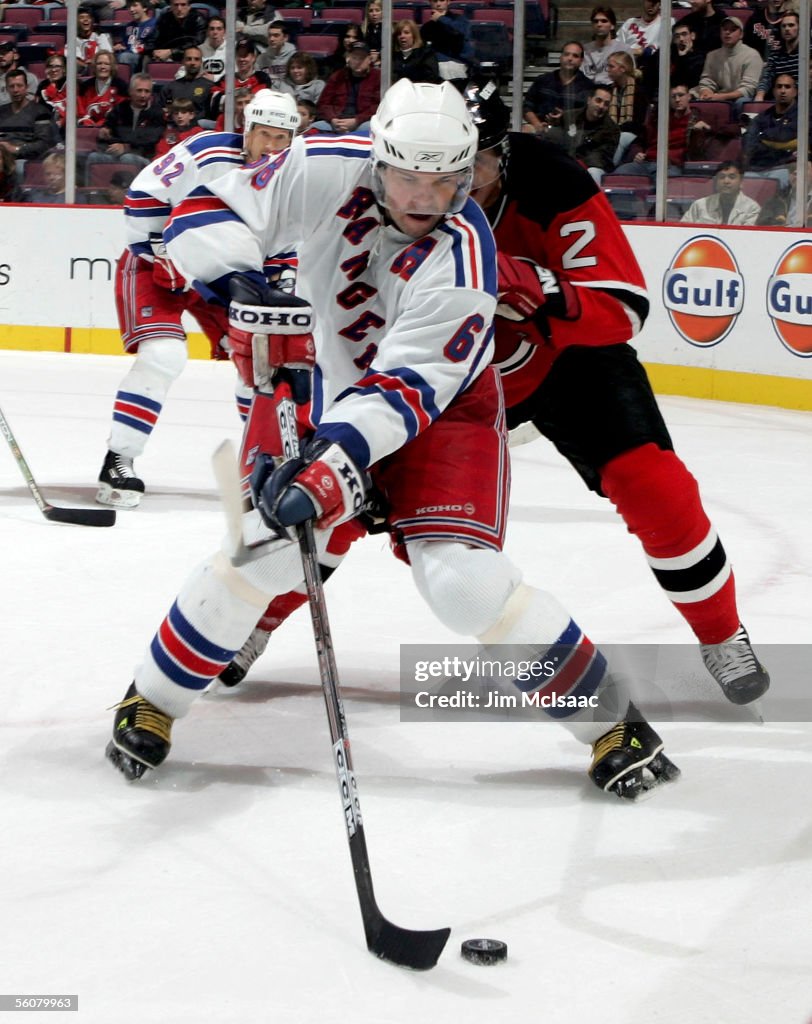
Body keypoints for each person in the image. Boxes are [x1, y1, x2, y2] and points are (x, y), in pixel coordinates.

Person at [106, 79, 680, 802]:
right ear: (380, 158)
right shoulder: (321, 164)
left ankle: (612, 721)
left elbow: (408, 390)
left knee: (462, 582)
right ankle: (152, 697)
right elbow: (205, 205)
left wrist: (329, 469)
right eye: (408, 175)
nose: (424, 198)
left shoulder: (465, 253)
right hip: (319, 383)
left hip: (440, 414)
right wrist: (239, 279)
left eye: (445, 180)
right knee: (265, 551)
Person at [219, 82, 770, 730]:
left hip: (561, 365)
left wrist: (538, 286)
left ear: (502, 154)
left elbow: (624, 309)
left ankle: (721, 633)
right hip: (443, 379)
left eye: (465, 166)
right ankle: (253, 621)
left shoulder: (552, 182)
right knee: (333, 488)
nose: (435, 189)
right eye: (412, 170)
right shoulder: (365, 186)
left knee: (654, 485)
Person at [95, 90, 301, 509]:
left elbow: (284, 247)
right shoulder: (205, 152)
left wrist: (279, 289)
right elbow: (141, 196)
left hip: (224, 276)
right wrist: (158, 251)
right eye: (265, 135)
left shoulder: (294, 179)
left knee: (261, 364)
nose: (273, 147)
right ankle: (119, 460)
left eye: (283, 138)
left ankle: (262, 462)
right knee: (163, 356)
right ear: (247, 129)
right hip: (159, 265)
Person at [613, 81, 709, 177]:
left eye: (681, 95)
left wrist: (697, 133)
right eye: (673, 97)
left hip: (672, 166)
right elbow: (639, 141)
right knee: (618, 174)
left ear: (689, 96)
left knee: (666, 183)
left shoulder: (697, 119)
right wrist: (637, 153)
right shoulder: (659, 117)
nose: (677, 99)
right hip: (646, 162)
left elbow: (698, 152)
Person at [86, 72, 165, 181]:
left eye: (147, 91)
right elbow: (107, 130)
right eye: (139, 90)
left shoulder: (157, 113)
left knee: (127, 158)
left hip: (144, 157)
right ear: (130, 91)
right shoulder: (119, 109)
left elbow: (150, 140)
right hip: (117, 154)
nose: (143, 95)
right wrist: (104, 132)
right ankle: (94, 196)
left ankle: (128, 195)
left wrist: (126, 147)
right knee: (93, 157)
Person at [544, 83, 619, 184]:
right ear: (589, 100)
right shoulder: (569, 116)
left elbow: (600, 158)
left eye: (606, 104)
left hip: (592, 167)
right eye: (598, 100)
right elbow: (553, 140)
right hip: (566, 163)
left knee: (593, 172)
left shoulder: (612, 129)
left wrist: (574, 163)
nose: (601, 106)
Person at [692, 16, 763, 112]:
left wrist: (721, 97)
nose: (727, 32)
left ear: (741, 34)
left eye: (733, 30)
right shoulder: (712, 55)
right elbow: (707, 81)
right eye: (725, 29)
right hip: (718, 96)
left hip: (740, 98)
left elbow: (748, 89)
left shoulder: (752, 55)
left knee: (742, 102)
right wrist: (706, 92)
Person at [744, 73, 803, 188]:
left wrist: (762, 139)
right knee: (744, 181)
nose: (783, 91)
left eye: (787, 87)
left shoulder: (804, 115)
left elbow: (784, 137)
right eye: (779, 86)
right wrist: (780, 148)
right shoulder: (762, 116)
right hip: (759, 167)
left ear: (795, 92)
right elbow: (748, 143)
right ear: (774, 91)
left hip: (786, 169)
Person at [522, 42, 592, 134]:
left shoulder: (587, 86)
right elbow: (527, 107)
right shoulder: (542, 80)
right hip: (539, 128)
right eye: (566, 54)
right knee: (522, 131)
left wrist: (565, 118)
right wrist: (537, 125)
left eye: (575, 56)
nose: (570, 58)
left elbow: (588, 115)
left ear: (581, 61)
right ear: (561, 57)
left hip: (570, 132)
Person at [316, 40, 380, 135]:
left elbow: (378, 106)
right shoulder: (337, 76)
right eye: (354, 58)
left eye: (361, 58)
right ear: (348, 58)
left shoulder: (378, 77)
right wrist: (333, 119)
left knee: (370, 128)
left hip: (362, 122)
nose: (358, 62)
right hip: (337, 121)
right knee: (314, 128)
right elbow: (323, 104)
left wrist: (357, 120)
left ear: (369, 59)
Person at [0, 69, 56, 165]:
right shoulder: (1, 111)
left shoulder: (40, 112)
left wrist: (16, 149)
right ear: (7, 89)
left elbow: (43, 144)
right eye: (11, 86)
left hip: (25, 160)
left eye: (19, 86)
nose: (15, 90)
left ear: (26, 87)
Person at [682, 158, 761, 224]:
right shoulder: (700, 205)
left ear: (741, 181)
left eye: (732, 177)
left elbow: (749, 239)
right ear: (716, 181)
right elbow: (682, 230)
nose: (726, 181)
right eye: (722, 177)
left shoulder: (752, 208)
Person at [420, 0, 473, 86]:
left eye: (441, 0)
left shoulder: (459, 19)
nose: (438, 4)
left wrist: (441, 18)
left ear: (448, 2)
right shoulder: (427, 27)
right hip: (434, 65)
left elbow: (463, 33)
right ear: (430, 3)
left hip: (457, 62)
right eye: (434, 1)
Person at [158, 44, 214, 120]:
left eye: (196, 59)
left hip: (199, 128)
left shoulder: (210, 87)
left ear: (201, 62)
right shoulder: (169, 88)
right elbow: (163, 111)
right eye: (189, 59)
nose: (192, 62)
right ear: (183, 61)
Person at [754, 11, 802, 101]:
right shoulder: (776, 51)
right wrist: (760, 95)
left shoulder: (808, 51)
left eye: (791, 25)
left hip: (802, 99)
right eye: (784, 26)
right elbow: (767, 76)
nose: (787, 29)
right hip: (779, 98)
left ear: (800, 28)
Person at [582, 6, 630, 86]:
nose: (599, 24)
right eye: (595, 21)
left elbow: (629, 79)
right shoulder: (584, 50)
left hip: (614, 91)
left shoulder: (624, 50)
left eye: (604, 21)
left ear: (612, 26)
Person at [77, 51, 128, 127]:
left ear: (112, 67)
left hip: (111, 128)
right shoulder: (85, 86)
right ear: (94, 66)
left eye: (106, 64)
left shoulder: (120, 86)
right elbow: (81, 110)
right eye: (99, 63)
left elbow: (122, 113)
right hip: (87, 127)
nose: (102, 67)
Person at [391, 19, 440, 85]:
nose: (402, 36)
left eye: (406, 33)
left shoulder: (426, 54)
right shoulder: (392, 56)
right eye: (399, 34)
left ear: (414, 35)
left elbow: (431, 77)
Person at [115, 0, 158, 72]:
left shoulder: (154, 24)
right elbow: (127, 44)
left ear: (144, 8)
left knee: (124, 57)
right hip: (129, 55)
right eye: (129, 7)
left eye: (135, 6)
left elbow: (153, 45)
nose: (131, 9)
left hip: (144, 57)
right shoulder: (129, 26)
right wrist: (120, 46)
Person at [72, 7, 114, 76]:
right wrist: (85, 65)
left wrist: (93, 62)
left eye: (88, 17)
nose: (86, 20)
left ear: (92, 21)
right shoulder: (73, 39)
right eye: (82, 17)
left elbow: (108, 56)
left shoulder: (101, 36)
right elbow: (72, 59)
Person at [35, 55, 68, 132]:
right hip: (47, 124)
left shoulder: (71, 83)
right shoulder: (43, 85)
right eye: (50, 66)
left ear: (64, 69)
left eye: (57, 66)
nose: (53, 70)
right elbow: (39, 107)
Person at [0, 41, 38, 105]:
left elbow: (28, 101)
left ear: (16, 56)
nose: (0, 56)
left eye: (4, 53)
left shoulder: (29, 77)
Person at [670, 21, 705, 90]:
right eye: (677, 36)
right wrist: (682, 57)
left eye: (684, 34)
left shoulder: (701, 57)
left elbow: (692, 81)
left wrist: (684, 57)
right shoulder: (669, 56)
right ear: (674, 40)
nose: (681, 39)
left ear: (693, 36)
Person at [199, 15, 227, 83]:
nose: (215, 32)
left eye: (219, 29)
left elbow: (237, 73)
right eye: (212, 29)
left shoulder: (233, 49)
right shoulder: (198, 50)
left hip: (225, 89)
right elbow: (182, 73)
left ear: (224, 31)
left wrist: (215, 78)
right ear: (207, 32)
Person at [361, 0, 383, 67]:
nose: (374, 14)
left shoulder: (390, 30)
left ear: (383, 12)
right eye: (371, 11)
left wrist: (379, 55)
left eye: (377, 10)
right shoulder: (363, 30)